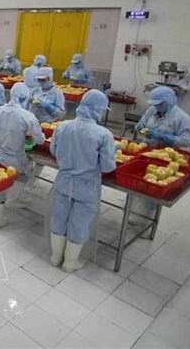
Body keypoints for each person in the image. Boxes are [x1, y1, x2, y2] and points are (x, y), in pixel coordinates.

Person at [50, 90, 116, 272]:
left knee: (59, 218)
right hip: (86, 185)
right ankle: (70, 263)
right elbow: (108, 166)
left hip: (63, 180)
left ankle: (55, 257)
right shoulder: (104, 135)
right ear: (98, 110)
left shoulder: (62, 126)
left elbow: (53, 150)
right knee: (79, 222)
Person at [0, 83, 45, 229]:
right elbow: (40, 140)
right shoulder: (27, 116)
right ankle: (13, 198)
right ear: (25, 98)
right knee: (26, 175)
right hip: (16, 159)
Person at [131, 86, 190, 223]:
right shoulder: (152, 110)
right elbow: (141, 124)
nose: (156, 107)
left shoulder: (181, 118)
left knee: (153, 188)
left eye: (159, 104)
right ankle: (132, 209)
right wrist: (139, 128)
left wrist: (163, 136)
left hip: (164, 158)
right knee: (139, 183)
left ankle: (144, 217)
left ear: (169, 102)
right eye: (155, 104)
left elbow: (186, 140)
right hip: (146, 152)